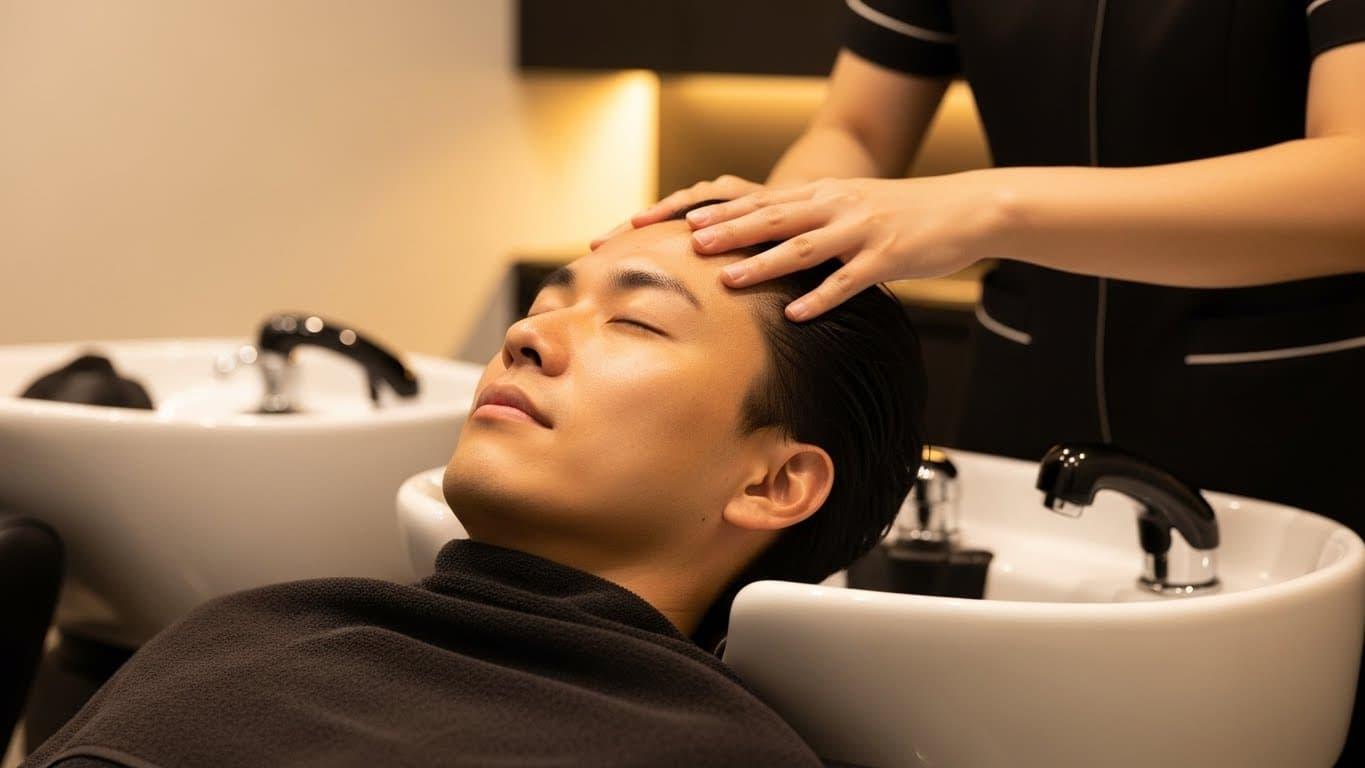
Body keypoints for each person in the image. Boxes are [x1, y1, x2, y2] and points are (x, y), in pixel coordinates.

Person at [595, 3, 1365, 762]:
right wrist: (772, 230)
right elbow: (855, 129)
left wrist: (985, 206)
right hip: (1022, 398)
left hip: (1293, 425)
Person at [21, 207, 927, 768]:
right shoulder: (244, 630)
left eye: (637, 322)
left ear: (774, 482)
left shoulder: (713, 756)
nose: (525, 338)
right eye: (542, 306)